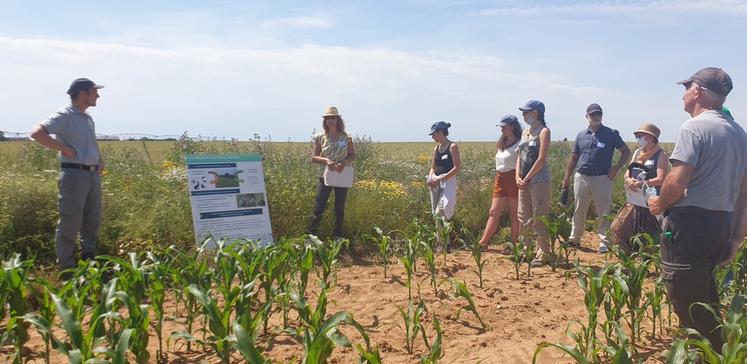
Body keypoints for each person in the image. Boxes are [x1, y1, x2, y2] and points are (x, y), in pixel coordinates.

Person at [648, 67, 747, 351]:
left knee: (688, 305)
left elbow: (677, 182)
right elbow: (744, 194)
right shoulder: (740, 134)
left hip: (689, 224)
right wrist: (736, 239)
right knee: (706, 299)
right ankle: (717, 353)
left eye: (686, 88)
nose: (683, 94)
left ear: (698, 91)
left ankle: (702, 355)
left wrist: (659, 202)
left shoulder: (694, 127)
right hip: (721, 224)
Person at [30, 78, 105, 271]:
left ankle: (89, 262)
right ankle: (66, 268)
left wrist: (99, 159)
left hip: (91, 175)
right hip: (74, 175)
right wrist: (64, 149)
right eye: (94, 91)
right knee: (70, 222)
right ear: (83, 94)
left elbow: (91, 142)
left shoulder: (87, 117)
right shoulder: (65, 115)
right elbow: (38, 133)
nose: (98, 95)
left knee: (92, 220)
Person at [561, 103, 631, 253]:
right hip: (582, 176)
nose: (596, 116)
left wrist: (616, 168)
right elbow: (574, 157)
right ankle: (575, 239)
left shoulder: (611, 133)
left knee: (604, 211)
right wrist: (566, 177)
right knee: (579, 209)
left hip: (602, 178)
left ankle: (605, 242)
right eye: (593, 114)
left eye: (599, 113)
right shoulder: (580, 135)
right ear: (586, 116)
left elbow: (626, 152)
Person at [609, 123, 669, 254]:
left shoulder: (661, 155)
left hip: (650, 201)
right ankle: (628, 258)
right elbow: (628, 171)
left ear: (650, 137)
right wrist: (628, 180)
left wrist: (643, 184)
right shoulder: (637, 153)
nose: (638, 138)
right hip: (635, 200)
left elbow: (661, 178)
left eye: (640, 135)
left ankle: (647, 262)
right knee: (618, 228)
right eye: (637, 136)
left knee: (648, 235)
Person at [308, 106, 356, 237]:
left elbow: (352, 155)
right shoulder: (319, 137)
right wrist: (326, 161)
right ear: (325, 121)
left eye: (333, 118)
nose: (330, 120)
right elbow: (313, 157)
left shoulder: (347, 137)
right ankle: (311, 236)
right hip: (325, 176)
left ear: (338, 119)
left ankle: (337, 236)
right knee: (319, 207)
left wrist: (344, 163)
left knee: (339, 208)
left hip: (342, 175)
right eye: (327, 118)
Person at [516, 100, 552, 267]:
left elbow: (541, 158)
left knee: (539, 217)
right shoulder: (524, 132)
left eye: (526, 112)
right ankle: (526, 250)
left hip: (538, 181)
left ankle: (543, 253)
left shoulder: (544, 131)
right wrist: (518, 176)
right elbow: (519, 156)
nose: (523, 115)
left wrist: (528, 177)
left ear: (535, 113)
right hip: (523, 181)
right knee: (524, 216)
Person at [478, 115, 521, 250]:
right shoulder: (501, 143)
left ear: (512, 126)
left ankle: (513, 245)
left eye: (504, 126)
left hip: (513, 178)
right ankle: (483, 243)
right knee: (493, 211)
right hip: (500, 178)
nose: (501, 129)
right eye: (501, 127)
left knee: (514, 214)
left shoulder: (520, 143)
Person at [427, 121, 461, 220]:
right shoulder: (436, 149)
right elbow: (433, 167)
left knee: (441, 212)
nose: (432, 137)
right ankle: (441, 235)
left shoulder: (452, 147)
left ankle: (443, 234)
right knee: (435, 214)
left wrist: (441, 179)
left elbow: (457, 168)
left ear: (440, 132)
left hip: (448, 183)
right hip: (435, 183)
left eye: (433, 134)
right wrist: (430, 179)